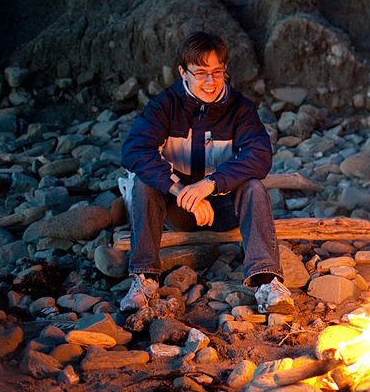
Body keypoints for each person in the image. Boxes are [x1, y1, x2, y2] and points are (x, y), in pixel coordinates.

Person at [119, 31, 292, 314]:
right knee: (143, 183)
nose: (210, 82)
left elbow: (259, 155)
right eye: (200, 73)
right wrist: (182, 191)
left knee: (253, 187)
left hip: (223, 208)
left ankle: (266, 280)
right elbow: (135, 151)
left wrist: (209, 185)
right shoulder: (165, 106)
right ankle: (145, 278)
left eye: (217, 72)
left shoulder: (240, 109)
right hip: (179, 209)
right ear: (182, 72)